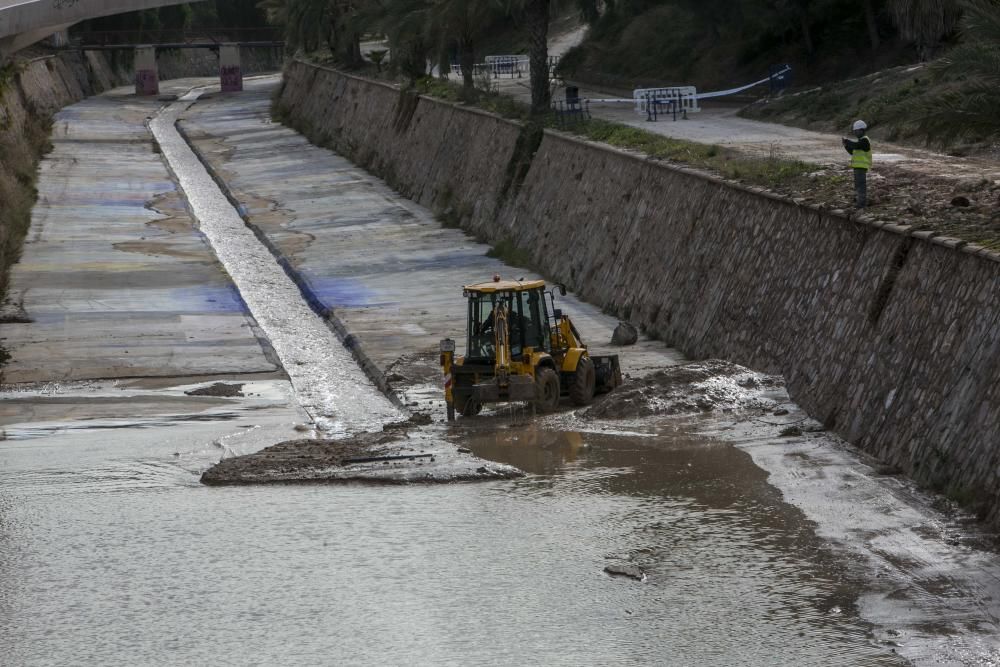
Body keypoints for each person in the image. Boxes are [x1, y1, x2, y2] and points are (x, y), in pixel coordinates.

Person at [842, 120, 872, 208]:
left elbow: (856, 146)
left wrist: (847, 141)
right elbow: (852, 152)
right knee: (858, 186)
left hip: (861, 167)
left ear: (862, 130)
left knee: (861, 186)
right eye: (854, 131)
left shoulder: (865, 141)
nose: (855, 133)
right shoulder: (859, 142)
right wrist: (846, 145)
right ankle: (858, 202)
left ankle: (861, 205)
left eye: (856, 131)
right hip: (857, 167)